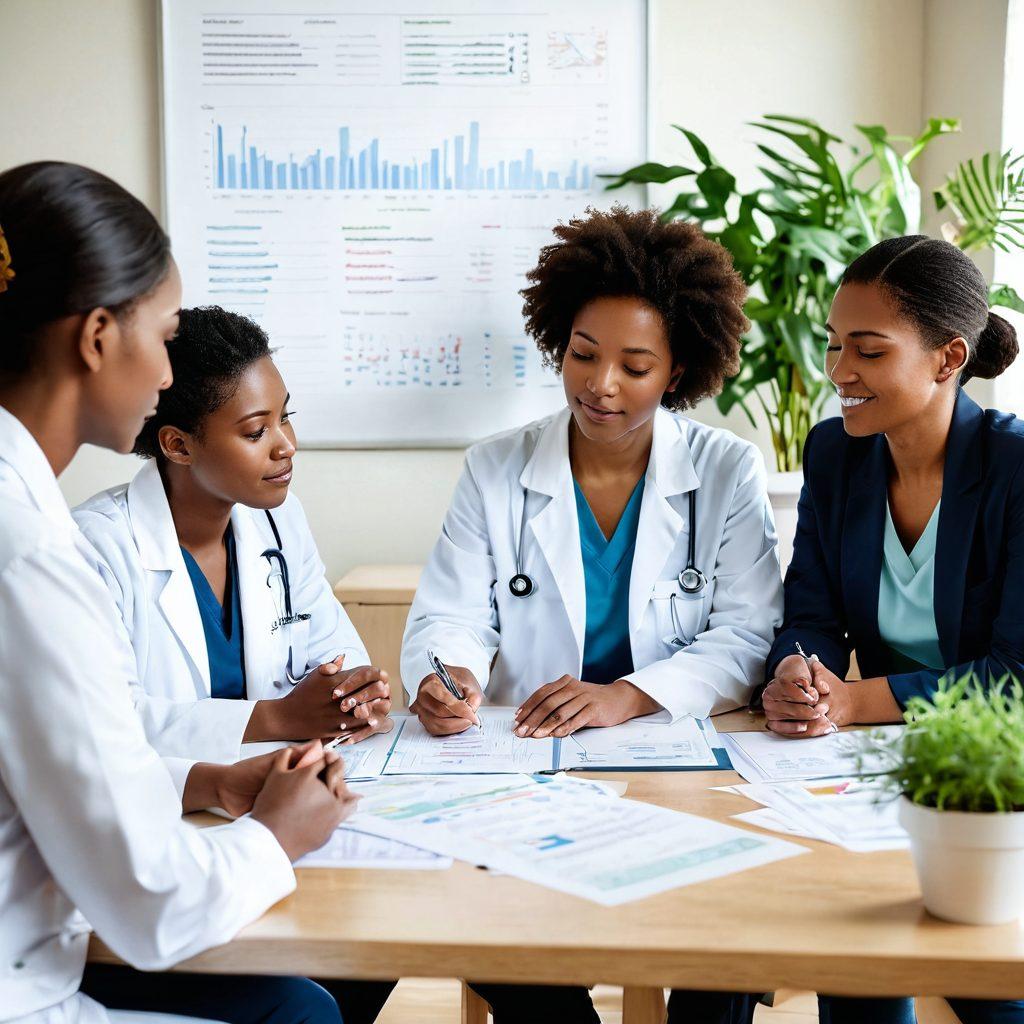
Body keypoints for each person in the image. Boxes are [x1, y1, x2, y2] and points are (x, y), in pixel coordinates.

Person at [401, 204, 783, 1024]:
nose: (599, 384)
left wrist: (629, 695)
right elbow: (450, 615)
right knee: (512, 949)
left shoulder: (725, 470)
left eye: (634, 366)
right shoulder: (496, 468)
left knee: (721, 950)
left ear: (678, 371)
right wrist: (452, 674)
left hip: (682, 761)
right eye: (582, 354)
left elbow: (749, 635)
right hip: (528, 760)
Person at [0, 160, 359, 1024]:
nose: (167, 370)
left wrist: (212, 781)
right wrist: (277, 834)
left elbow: (75, 766)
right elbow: (152, 898)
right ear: (96, 338)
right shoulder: (40, 556)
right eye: (163, 338)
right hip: (30, 979)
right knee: (306, 1012)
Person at [762, 234, 1024, 1024]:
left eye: (868, 351)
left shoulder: (1015, 470)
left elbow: (1015, 675)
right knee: (857, 971)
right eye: (837, 345)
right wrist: (799, 673)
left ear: (949, 359)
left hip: (993, 776)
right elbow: (808, 610)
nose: (839, 370)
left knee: (991, 998)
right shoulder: (837, 456)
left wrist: (856, 700)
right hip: (864, 771)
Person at [73, 305, 392, 765]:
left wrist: (355, 695)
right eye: (256, 431)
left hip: (282, 790)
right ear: (178, 445)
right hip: (165, 810)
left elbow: (333, 651)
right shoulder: (96, 548)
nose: (286, 445)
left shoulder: (280, 522)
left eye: (286, 416)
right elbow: (102, 722)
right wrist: (277, 718)